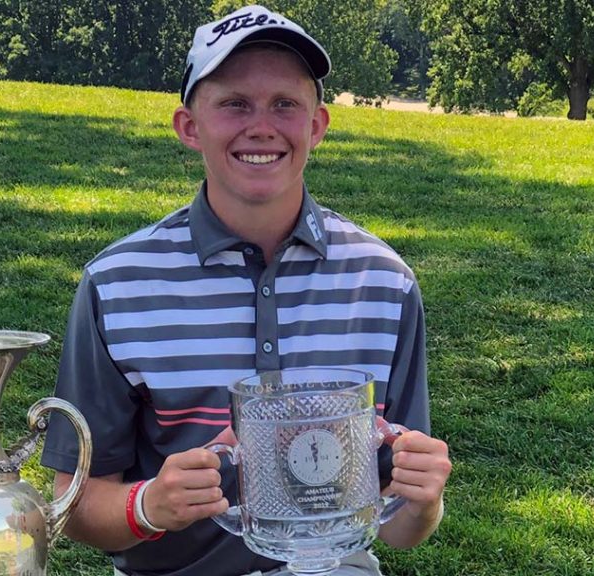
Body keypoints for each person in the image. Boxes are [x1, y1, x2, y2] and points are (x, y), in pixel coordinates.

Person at [41, 5, 452, 575]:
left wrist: (424, 499)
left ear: (316, 126)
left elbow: (403, 527)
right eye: (234, 103)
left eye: (285, 104)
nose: (262, 126)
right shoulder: (118, 284)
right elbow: (76, 503)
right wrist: (150, 505)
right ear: (190, 126)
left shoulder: (383, 281)